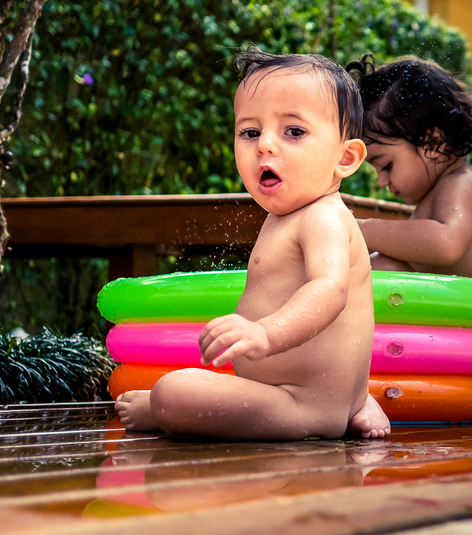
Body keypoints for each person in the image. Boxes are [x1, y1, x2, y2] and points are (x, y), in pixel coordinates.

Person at [116, 50, 391, 440]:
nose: (264, 145)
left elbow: (330, 289)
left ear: (345, 158)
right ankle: (354, 400)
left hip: (298, 404)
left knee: (171, 393)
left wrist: (266, 333)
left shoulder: (322, 216)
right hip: (296, 394)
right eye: (250, 132)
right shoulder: (290, 213)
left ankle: (337, 406)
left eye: (293, 132)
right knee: (182, 388)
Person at [348, 56, 472, 283]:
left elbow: (446, 243)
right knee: (381, 265)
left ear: (432, 143)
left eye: (386, 166)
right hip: (458, 312)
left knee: (386, 267)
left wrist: (362, 230)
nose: (381, 181)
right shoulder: (437, 191)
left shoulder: (460, 184)